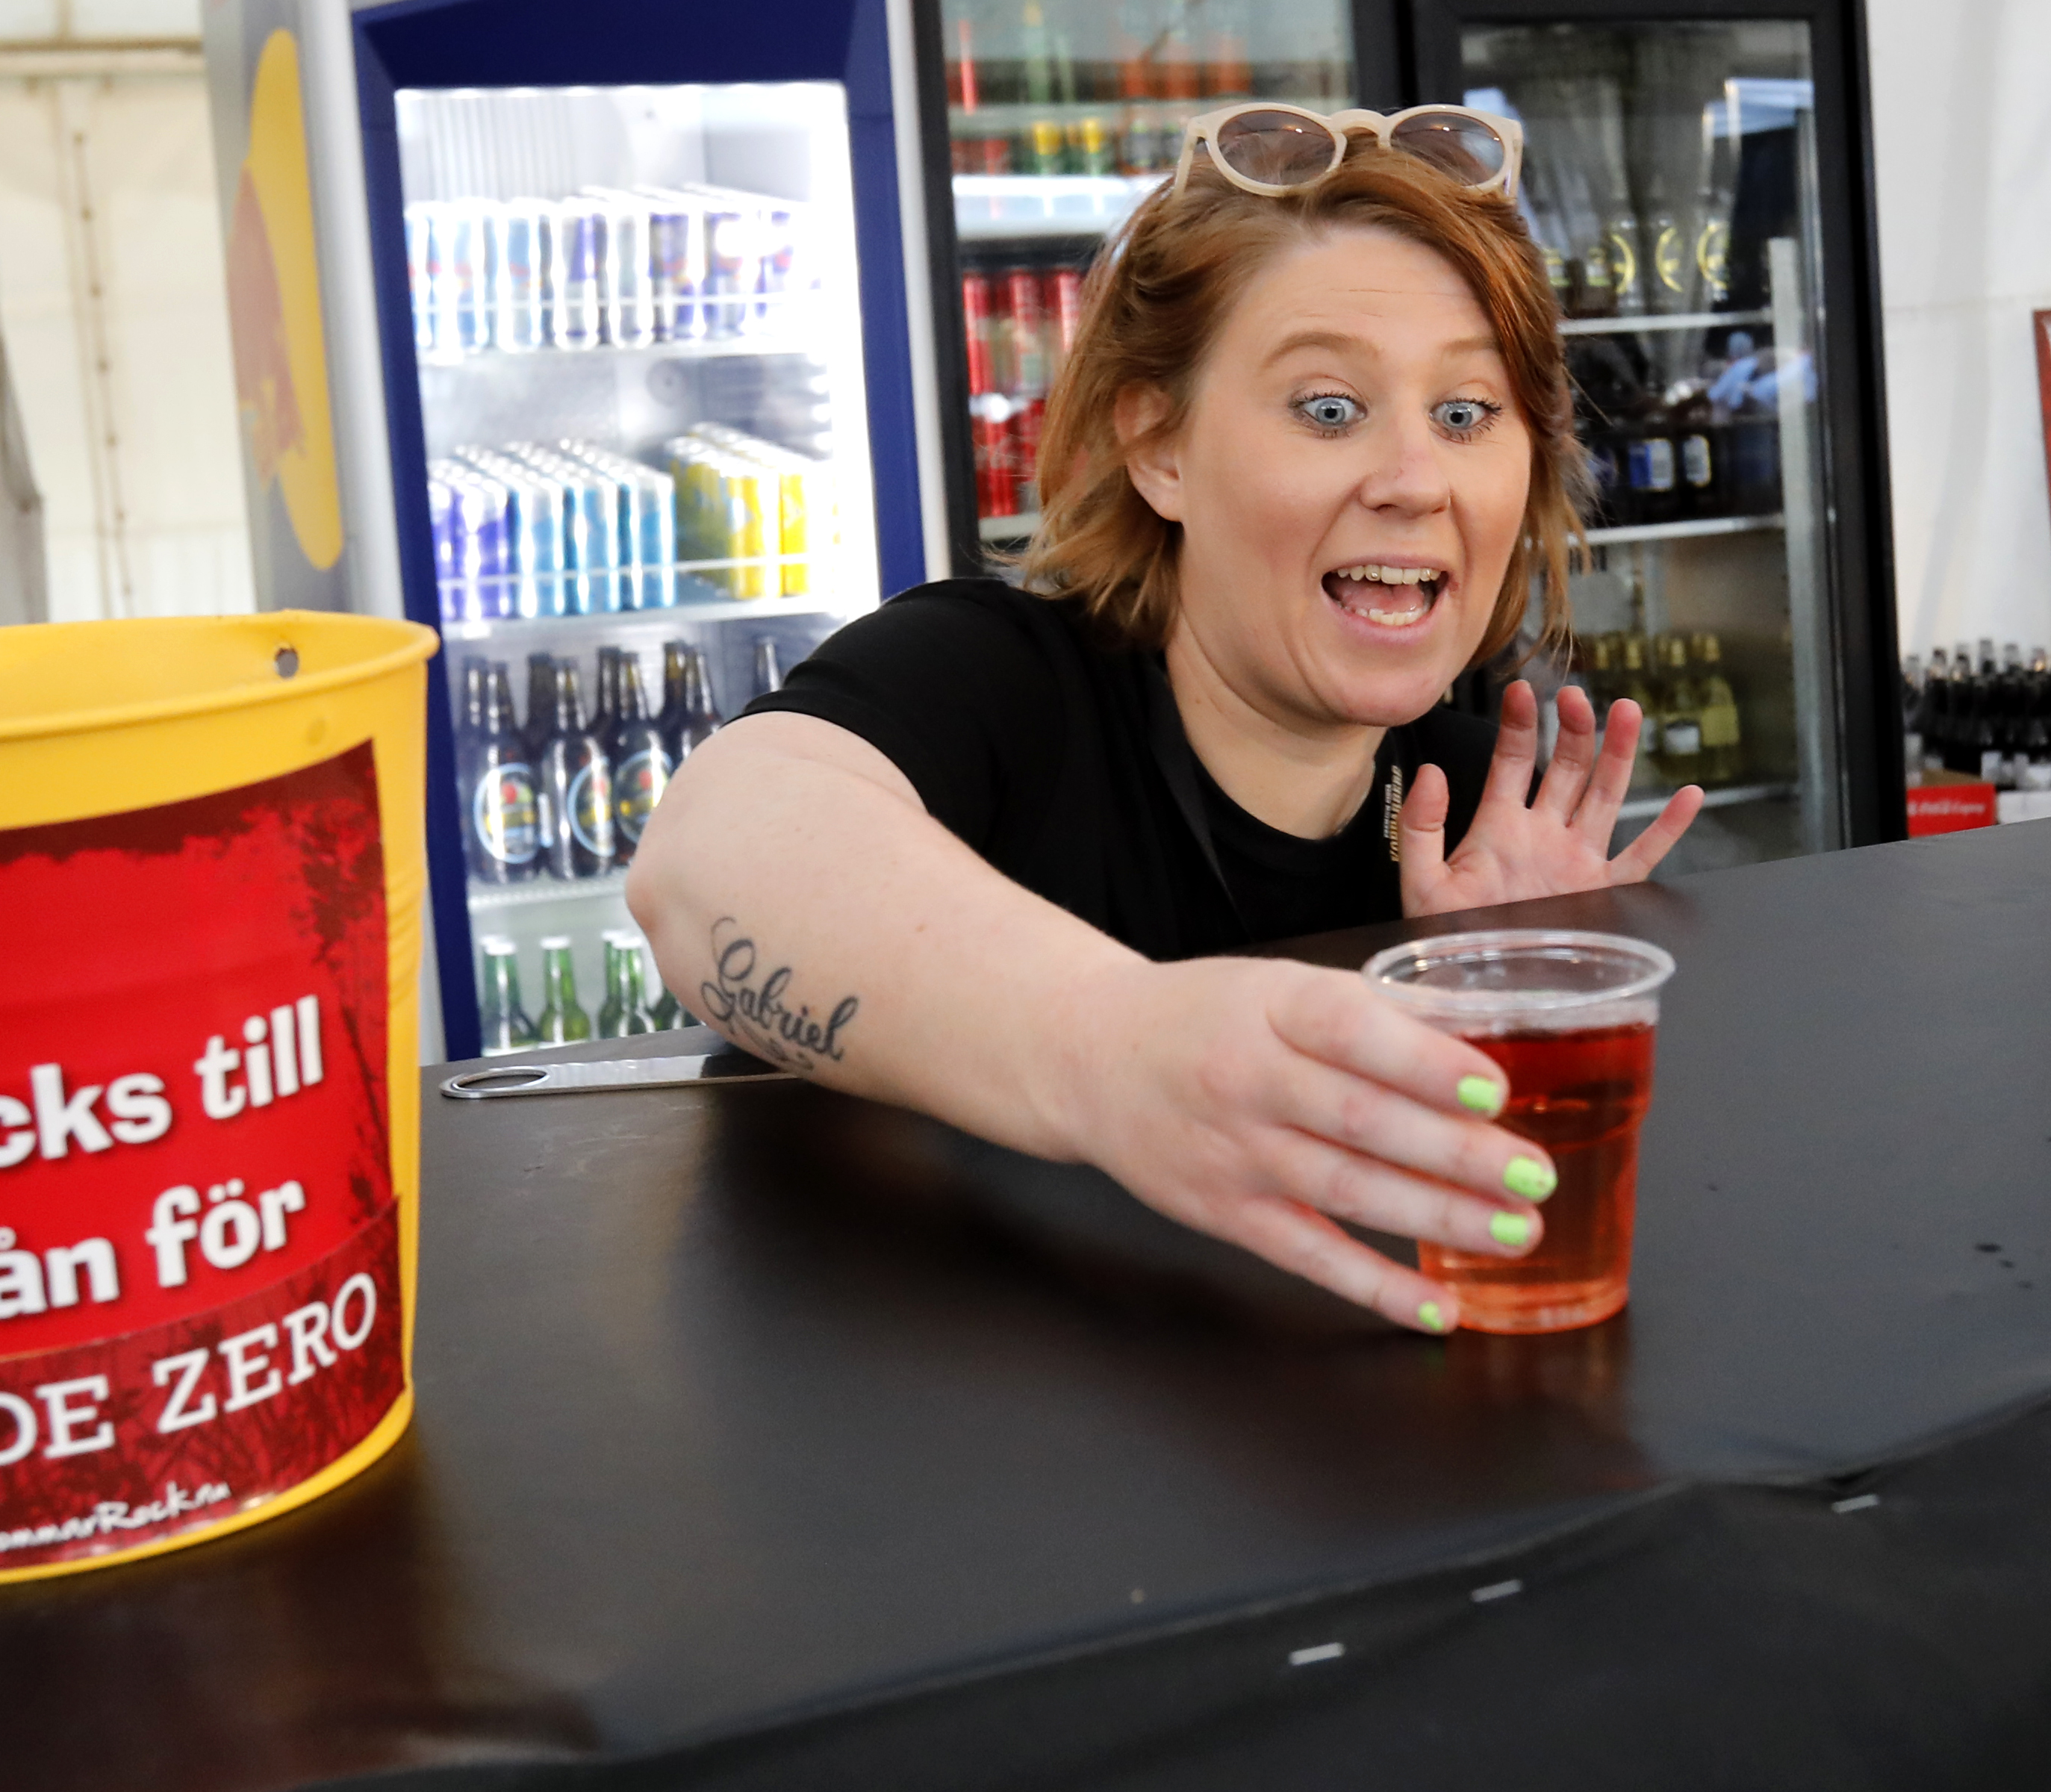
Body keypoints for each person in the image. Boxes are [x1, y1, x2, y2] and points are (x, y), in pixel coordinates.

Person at [628, 105, 1704, 1334]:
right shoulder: (1000, 684)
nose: (1414, 480)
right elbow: (703, 863)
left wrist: (1503, 1000)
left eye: (1464, 414)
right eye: (1327, 408)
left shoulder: (1471, 811)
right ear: (1157, 447)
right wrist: (1112, 1046)